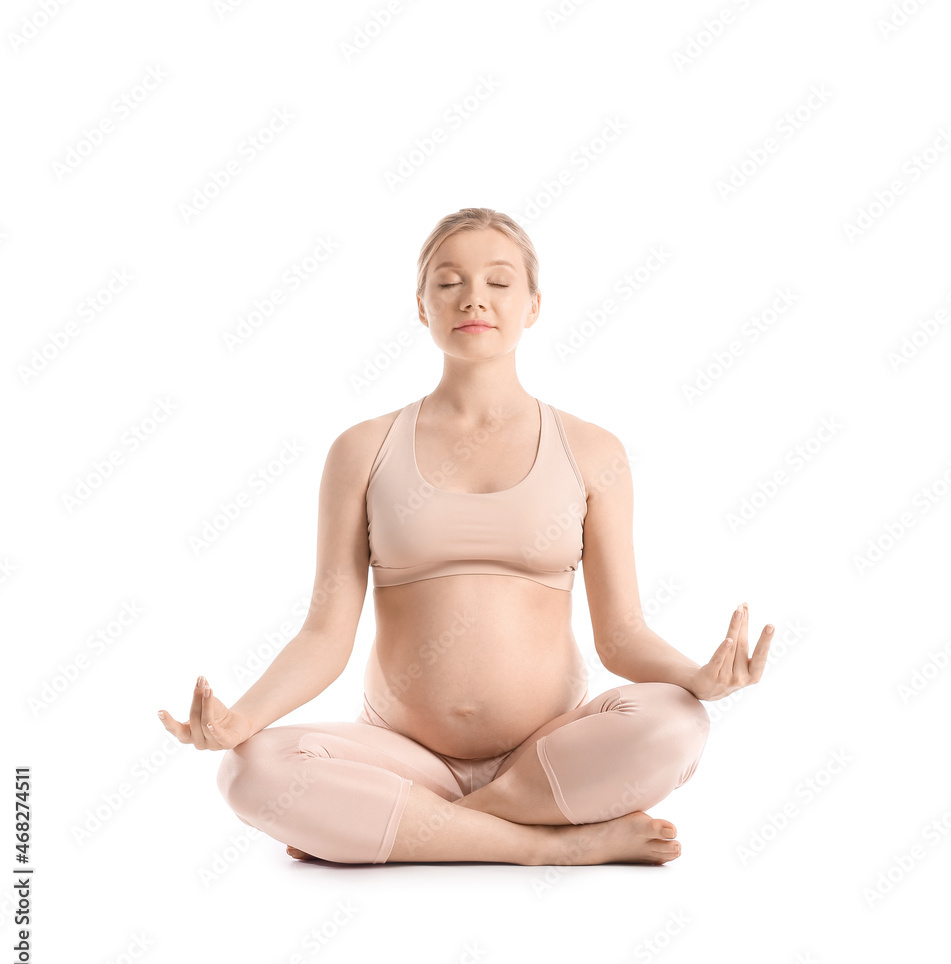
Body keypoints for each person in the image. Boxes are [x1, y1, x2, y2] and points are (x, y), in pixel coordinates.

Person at [157, 207, 773, 867]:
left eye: (499, 282)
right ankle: (550, 846)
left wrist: (696, 678)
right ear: (421, 307)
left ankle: (410, 829)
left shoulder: (593, 451)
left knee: (677, 722)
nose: (473, 296)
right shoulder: (361, 450)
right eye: (448, 281)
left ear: (533, 306)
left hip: (550, 753)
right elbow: (323, 636)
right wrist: (242, 721)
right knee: (252, 772)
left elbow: (620, 635)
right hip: (402, 756)